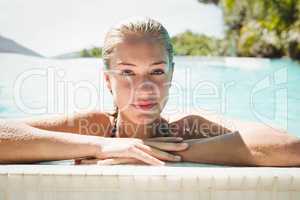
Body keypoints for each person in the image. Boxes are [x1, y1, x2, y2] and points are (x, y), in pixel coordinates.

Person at [0, 17, 299, 166]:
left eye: (156, 71)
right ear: (107, 80)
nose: (144, 87)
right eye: (127, 72)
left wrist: (148, 153)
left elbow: (289, 145)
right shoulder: (96, 127)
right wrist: (102, 146)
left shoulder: (186, 127)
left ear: (171, 74)